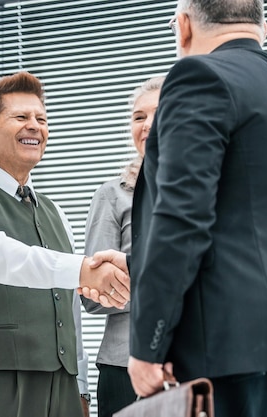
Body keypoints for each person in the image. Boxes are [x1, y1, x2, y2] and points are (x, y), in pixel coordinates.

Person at [93, 1, 267, 415]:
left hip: (227, 350)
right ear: (262, 28)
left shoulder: (199, 76)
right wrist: (136, 262)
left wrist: (147, 346)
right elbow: (262, 226)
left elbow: (182, 219)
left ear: (182, 26)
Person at [0, 70, 131, 417]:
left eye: (41, 119)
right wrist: (84, 270)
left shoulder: (55, 212)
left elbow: (69, 309)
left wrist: (80, 387)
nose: (35, 126)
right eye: (20, 117)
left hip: (62, 388)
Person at [81, 76, 163, 416]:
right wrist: (166, 284)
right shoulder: (112, 195)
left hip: (199, 360)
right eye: (138, 116)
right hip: (124, 366)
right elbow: (92, 294)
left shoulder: (210, 190)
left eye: (158, 113)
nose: (146, 125)